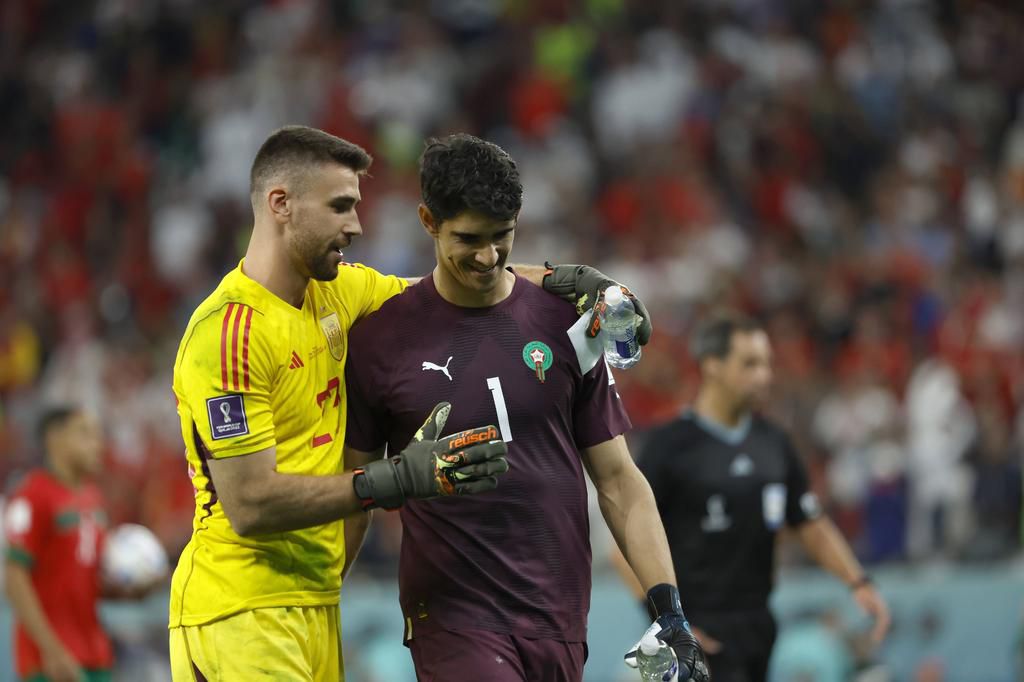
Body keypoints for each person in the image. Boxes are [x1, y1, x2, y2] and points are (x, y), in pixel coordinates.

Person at [167, 124, 648, 681]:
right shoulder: (229, 334)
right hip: (238, 606)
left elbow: (459, 280)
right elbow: (250, 506)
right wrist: (393, 480)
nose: (356, 225)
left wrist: (589, 286)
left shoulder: (338, 292)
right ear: (281, 205)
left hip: (312, 603)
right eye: (341, 206)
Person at [343, 133, 708, 682]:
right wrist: (319, 597)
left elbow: (618, 481)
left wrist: (670, 613)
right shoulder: (379, 342)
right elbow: (353, 492)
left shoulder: (568, 323)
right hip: (452, 617)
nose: (488, 257)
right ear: (427, 220)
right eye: (469, 238)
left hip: (558, 615)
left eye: (502, 236)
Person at [624, 312, 890, 682]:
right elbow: (626, 542)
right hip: (696, 630)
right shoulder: (669, 446)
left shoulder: (774, 443)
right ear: (712, 366)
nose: (764, 375)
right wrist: (667, 623)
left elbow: (809, 522)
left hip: (758, 627)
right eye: (750, 364)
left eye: (766, 363)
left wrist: (858, 582)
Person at [3, 406, 144, 682]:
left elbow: (87, 579)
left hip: (96, 654)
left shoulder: (93, 498)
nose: (98, 444)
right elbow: (13, 579)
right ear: (55, 439)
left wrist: (128, 590)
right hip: (50, 662)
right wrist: (53, 651)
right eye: (85, 434)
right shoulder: (32, 494)